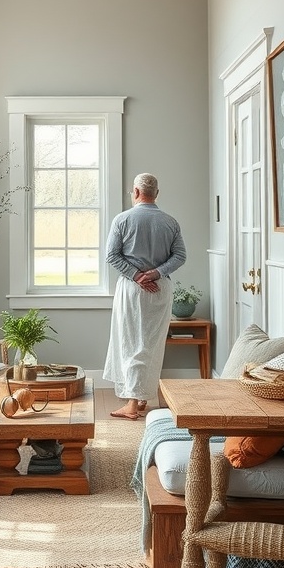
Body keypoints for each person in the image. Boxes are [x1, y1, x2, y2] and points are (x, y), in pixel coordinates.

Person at [103, 172, 186, 420]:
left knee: (131, 343)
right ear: (156, 194)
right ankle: (140, 398)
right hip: (160, 290)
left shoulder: (122, 220)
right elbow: (180, 256)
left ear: (136, 192)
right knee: (151, 345)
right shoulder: (170, 222)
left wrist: (137, 276)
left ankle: (131, 404)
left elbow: (111, 256)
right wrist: (156, 273)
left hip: (132, 290)